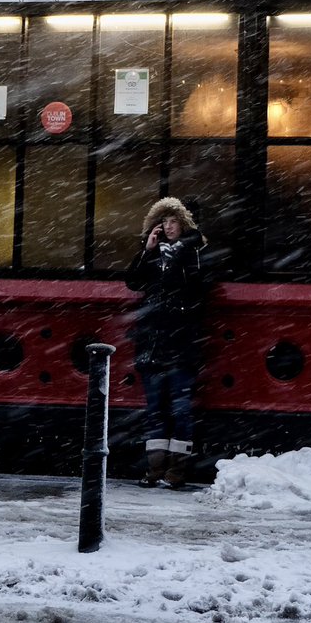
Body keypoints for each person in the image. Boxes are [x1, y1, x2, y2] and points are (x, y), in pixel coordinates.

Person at [125, 196, 207, 489]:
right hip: (153, 345)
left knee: (180, 409)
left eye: (174, 222)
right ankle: (155, 469)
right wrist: (147, 251)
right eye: (165, 222)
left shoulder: (193, 252)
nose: (169, 227)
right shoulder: (154, 253)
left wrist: (181, 257)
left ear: (184, 225)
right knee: (155, 411)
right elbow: (133, 281)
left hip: (180, 346)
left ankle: (177, 471)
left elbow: (197, 292)